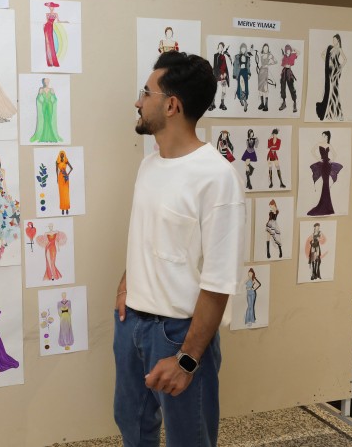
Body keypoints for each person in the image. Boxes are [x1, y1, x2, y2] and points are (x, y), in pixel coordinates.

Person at [115, 51, 245, 447]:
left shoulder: (216, 177)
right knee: (132, 428)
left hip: (178, 335)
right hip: (132, 324)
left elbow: (219, 282)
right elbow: (149, 236)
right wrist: (126, 284)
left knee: (190, 439)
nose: (138, 101)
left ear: (172, 105)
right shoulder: (149, 165)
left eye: (146, 93)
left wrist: (187, 360)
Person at [307, 130, 343, 216]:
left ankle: (327, 207)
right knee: (325, 184)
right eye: (322, 136)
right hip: (323, 165)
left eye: (324, 136)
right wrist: (318, 159)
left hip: (328, 165)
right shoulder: (319, 143)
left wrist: (332, 160)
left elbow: (335, 154)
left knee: (326, 184)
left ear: (327, 137)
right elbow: (312, 151)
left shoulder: (329, 145)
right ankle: (325, 207)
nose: (323, 137)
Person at [316, 34, 346, 121]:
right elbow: (322, 54)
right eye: (333, 40)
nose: (333, 41)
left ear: (338, 40)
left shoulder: (339, 49)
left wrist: (340, 68)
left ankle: (338, 114)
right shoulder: (330, 47)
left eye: (335, 40)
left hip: (336, 71)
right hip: (330, 70)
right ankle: (332, 113)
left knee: (335, 90)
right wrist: (328, 63)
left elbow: (345, 59)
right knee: (331, 90)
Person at [30, 78, 62, 143]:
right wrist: (41, 102)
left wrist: (52, 102)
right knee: (45, 120)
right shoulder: (41, 89)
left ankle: (51, 137)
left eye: (47, 81)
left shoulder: (51, 89)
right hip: (44, 106)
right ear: (43, 82)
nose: (46, 83)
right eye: (45, 81)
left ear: (49, 82)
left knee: (49, 120)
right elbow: (38, 98)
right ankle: (44, 137)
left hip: (50, 106)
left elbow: (55, 98)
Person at [208, 42, 229, 111]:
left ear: (223, 48)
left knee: (224, 90)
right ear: (218, 47)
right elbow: (215, 67)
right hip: (216, 75)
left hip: (223, 76)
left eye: (222, 47)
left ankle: (222, 104)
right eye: (220, 46)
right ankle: (212, 104)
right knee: (214, 90)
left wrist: (225, 73)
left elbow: (224, 66)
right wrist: (218, 74)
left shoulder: (223, 56)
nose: (221, 48)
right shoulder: (215, 56)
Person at [256, 44, 277, 112]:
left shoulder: (269, 55)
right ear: (263, 48)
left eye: (267, 48)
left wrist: (269, 64)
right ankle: (262, 104)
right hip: (260, 72)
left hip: (265, 72)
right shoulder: (261, 54)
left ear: (268, 49)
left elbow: (275, 61)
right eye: (265, 48)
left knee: (265, 88)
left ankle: (266, 105)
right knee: (260, 88)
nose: (266, 49)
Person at [279, 44, 299, 112]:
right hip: (284, 72)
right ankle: (284, 103)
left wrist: (293, 48)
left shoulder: (292, 55)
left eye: (289, 50)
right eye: (287, 50)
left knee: (291, 88)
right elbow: (283, 64)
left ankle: (295, 103)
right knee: (282, 87)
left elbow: (299, 53)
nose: (288, 51)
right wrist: (283, 57)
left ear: (290, 50)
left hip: (289, 73)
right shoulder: (284, 56)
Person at [233, 43, 252, 112]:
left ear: (246, 49)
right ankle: (244, 101)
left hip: (245, 72)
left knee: (244, 87)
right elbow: (235, 66)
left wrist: (249, 73)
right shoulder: (237, 57)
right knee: (241, 87)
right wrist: (235, 75)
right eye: (242, 48)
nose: (243, 50)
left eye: (244, 48)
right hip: (239, 72)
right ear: (240, 49)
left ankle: (244, 101)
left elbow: (248, 67)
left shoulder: (247, 58)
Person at [56, 150, 73, 215]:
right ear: (59, 155)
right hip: (60, 177)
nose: (62, 155)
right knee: (61, 193)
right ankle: (62, 209)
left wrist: (67, 174)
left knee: (66, 193)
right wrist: (57, 178)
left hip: (65, 177)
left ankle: (67, 208)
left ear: (64, 155)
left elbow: (71, 168)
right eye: (61, 154)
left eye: (63, 154)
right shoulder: (57, 161)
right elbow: (56, 170)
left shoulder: (66, 161)